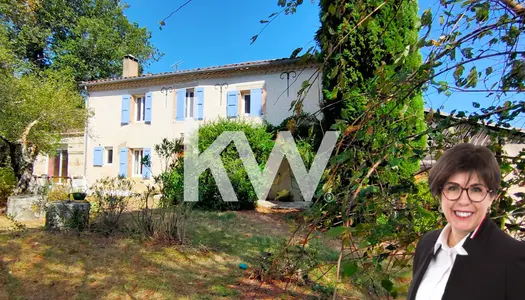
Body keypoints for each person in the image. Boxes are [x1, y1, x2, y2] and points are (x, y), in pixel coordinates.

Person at [407, 143, 525, 300]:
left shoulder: (514, 258)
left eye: (476, 189)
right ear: (440, 194)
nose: (463, 201)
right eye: (453, 188)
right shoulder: (427, 243)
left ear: (492, 197)